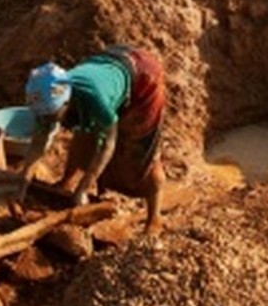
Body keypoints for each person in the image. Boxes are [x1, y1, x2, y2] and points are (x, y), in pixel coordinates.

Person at [17, 45, 167, 235]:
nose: (47, 120)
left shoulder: (95, 98)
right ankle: (66, 182)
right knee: (84, 132)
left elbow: (107, 144)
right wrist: (23, 182)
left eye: (52, 115)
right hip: (109, 61)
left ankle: (154, 218)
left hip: (143, 78)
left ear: (66, 101)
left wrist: (84, 187)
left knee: (137, 155)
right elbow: (38, 142)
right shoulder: (48, 98)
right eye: (43, 116)